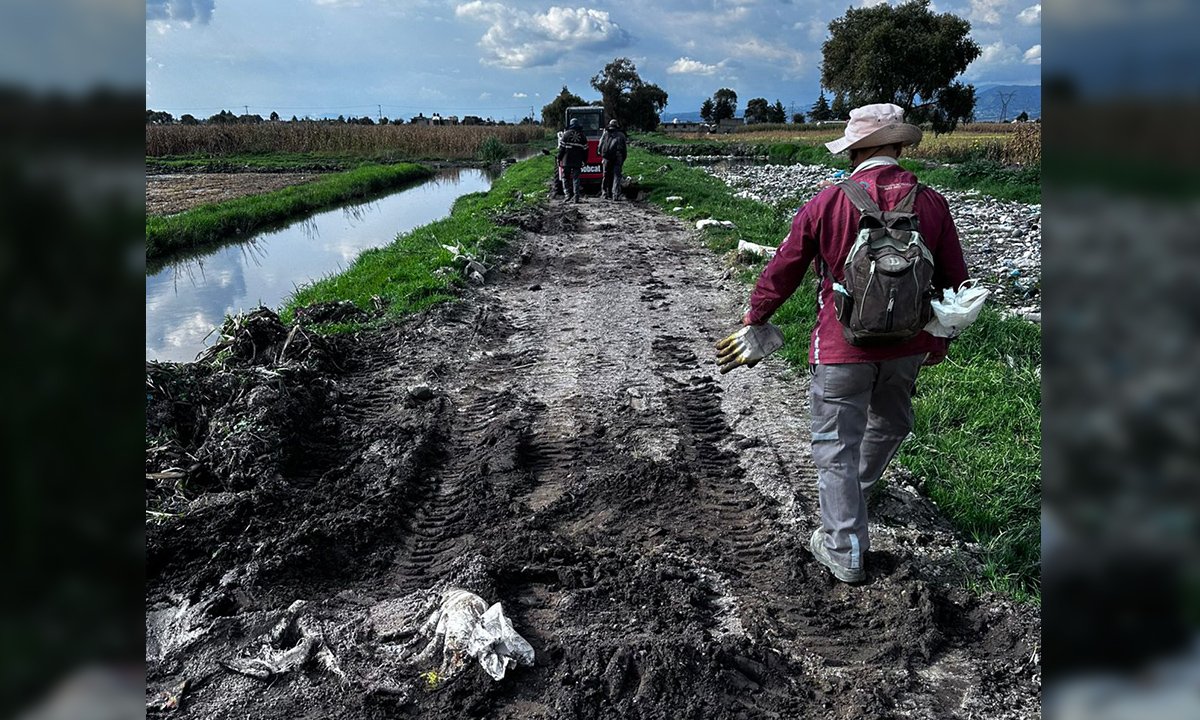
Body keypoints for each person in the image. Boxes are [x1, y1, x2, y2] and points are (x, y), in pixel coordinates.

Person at [740, 103, 967, 584]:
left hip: (840, 348)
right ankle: (857, 493)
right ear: (899, 145)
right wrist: (940, 336)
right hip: (908, 344)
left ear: (855, 149)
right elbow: (954, 280)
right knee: (890, 423)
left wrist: (756, 317)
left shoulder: (828, 202)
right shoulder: (930, 202)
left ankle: (843, 547)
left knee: (835, 444)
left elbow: (784, 267)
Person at [556, 118, 588, 203]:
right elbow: (585, 150)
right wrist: (584, 160)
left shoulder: (566, 135)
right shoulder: (582, 136)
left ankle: (567, 195)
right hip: (577, 161)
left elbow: (562, 149)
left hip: (566, 160)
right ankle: (576, 196)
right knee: (576, 178)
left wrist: (559, 158)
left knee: (565, 177)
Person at [598, 119, 628, 200]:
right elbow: (624, 150)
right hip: (618, 158)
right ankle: (615, 195)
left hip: (606, 158)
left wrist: (602, 155)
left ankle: (604, 194)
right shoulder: (621, 135)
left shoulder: (605, 134)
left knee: (606, 175)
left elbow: (600, 146)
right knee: (616, 176)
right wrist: (623, 159)